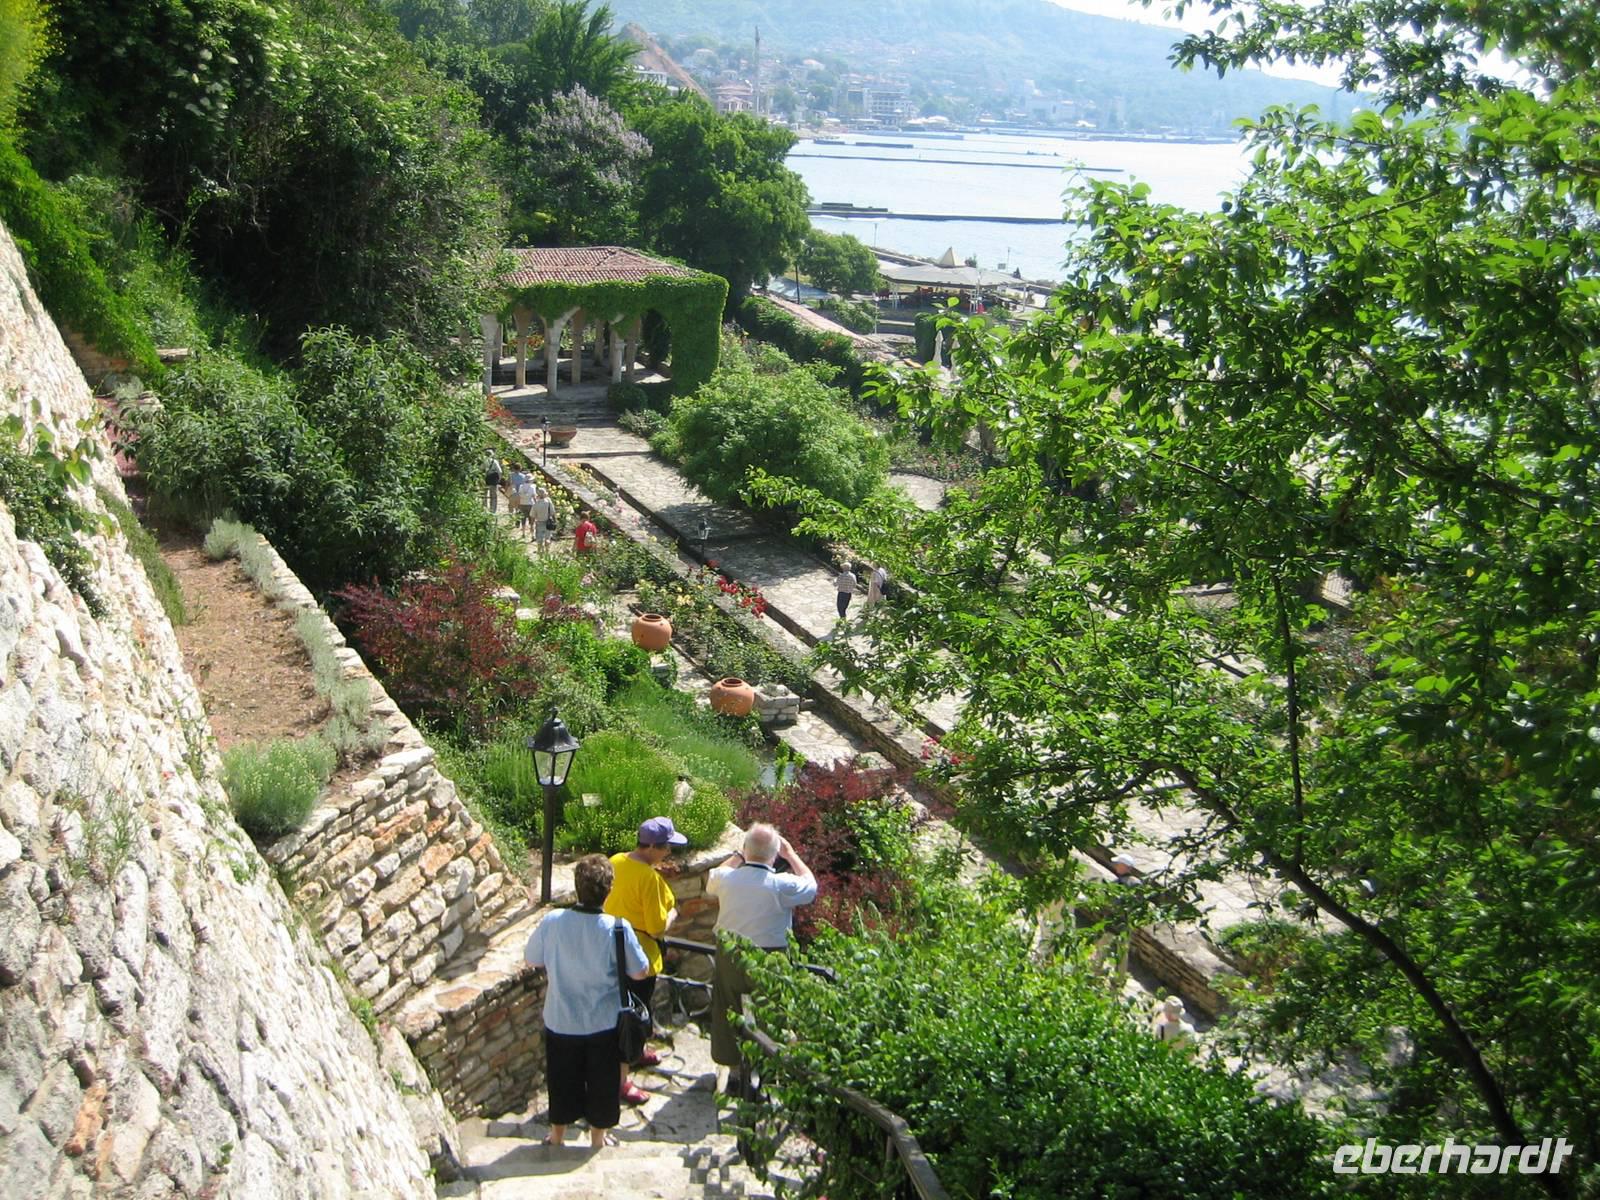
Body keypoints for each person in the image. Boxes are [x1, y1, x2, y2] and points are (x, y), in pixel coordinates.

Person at [524, 854, 650, 1149]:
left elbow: (531, 958)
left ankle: (556, 1136)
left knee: (561, 1078)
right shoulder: (617, 928)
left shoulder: (553, 921)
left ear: (576, 887)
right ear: (609, 890)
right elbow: (640, 971)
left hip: (560, 1018)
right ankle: (598, 1139)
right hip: (602, 1022)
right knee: (603, 1082)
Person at [706, 824, 817, 1077]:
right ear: (775, 854)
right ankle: (767, 1069)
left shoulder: (726, 879)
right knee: (771, 1010)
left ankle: (733, 1069)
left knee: (727, 1007)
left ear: (746, 849)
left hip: (730, 951)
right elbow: (811, 886)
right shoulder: (781, 885)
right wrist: (791, 856)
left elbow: (715, 875)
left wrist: (739, 853)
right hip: (770, 955)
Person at [604, 817, 688, 1106]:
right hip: (639, 955)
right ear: (652, 846)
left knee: (632, 1011)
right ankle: (621, 1082)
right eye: (666, 847)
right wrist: (674, 914)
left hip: (612, 949)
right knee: (630, 1016)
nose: (668, 853)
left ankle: (637, 1052)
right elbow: (657, 928)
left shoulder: (616, 861)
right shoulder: (649, 879)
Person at [530, 486, 556, 554]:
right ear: (544, 494)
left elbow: (532, 516)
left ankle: (539, 550)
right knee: (547, 538)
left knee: (539, 538)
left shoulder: (536, 504)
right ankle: (547, 551)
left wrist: (532, 525)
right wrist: (555, 521)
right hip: (548, 522)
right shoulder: (549, 503)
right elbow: (553, 513)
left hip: (539, 522)